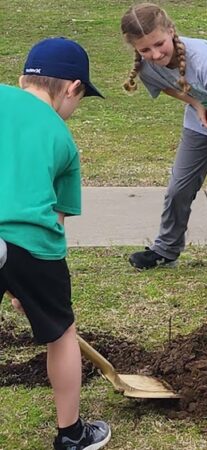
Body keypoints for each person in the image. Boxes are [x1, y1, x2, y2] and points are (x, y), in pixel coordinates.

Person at [0, 37, 111, 450]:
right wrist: (29, 287)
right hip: (32, 242)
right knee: (61, 334)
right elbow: (56, 223)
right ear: (72, 88)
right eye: (79, 100)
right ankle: (71, 435)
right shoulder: (65, 143)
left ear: (21, 79)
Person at [121, 3, 207, 287]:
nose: (156, 54)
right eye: (145, 50)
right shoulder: (147, 65)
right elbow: (166, 85)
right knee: (179, 186)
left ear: (171, 31)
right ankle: (166, 249)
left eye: (160, 44)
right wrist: (196, 102)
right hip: (203, 114)